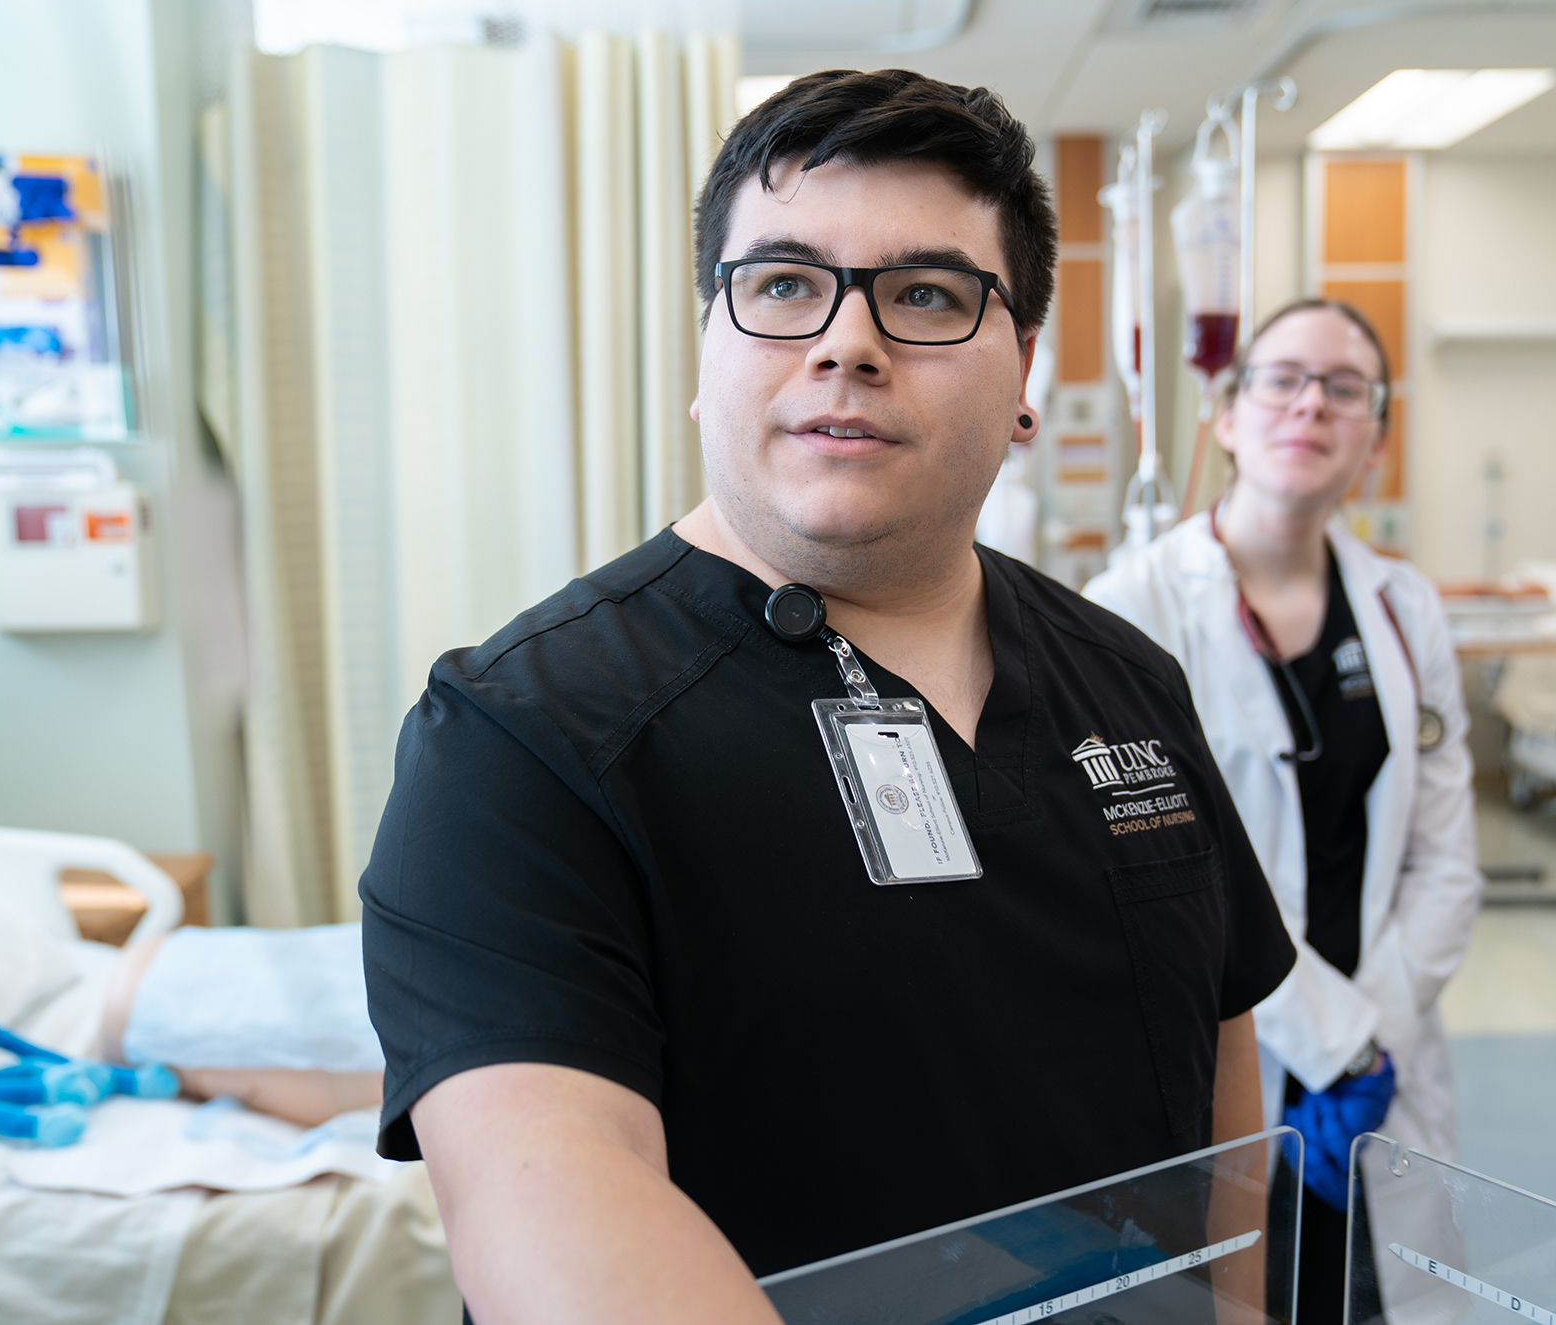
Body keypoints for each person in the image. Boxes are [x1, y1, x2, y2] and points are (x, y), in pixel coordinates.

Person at [357, 69, 1296, 1324]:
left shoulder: (1124, 681)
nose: (845, 342)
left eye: (924, 295)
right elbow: (552, 1204)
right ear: (705, 353)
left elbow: (1220, 1049)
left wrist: (1230, 1310)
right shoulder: (525, 740)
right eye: (784, 286)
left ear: (1023, 368)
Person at [1084, 299, 1483, 1317]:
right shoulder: (1130, 608)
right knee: (1228, 1293)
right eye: (1281, 378)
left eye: (1343, 388)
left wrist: (1364, 1042)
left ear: (1375, 436)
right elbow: (1168, 880)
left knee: (1375, 1296)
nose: (1310, 403)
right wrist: (1323, 1039)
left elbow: (1444, 859)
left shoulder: (1403, 606)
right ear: (1224, 413)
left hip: (1379, 1055)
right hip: (1227, 1045)